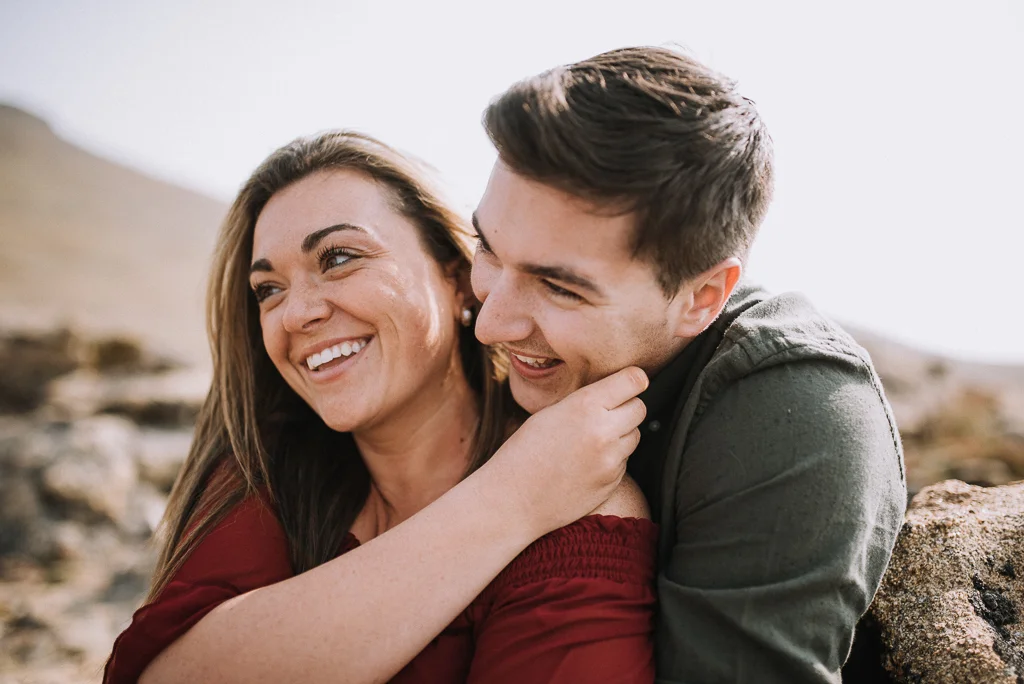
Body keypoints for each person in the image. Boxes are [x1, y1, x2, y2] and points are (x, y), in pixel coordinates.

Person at [104, 131, 658, 683]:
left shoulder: (581, 500)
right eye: (268, 289)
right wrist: (509, 500)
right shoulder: (266, 471)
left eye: (339, 258)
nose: (295, 314)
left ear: (458, 275)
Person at [470, 46, 907, 683]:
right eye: (486, 246)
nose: (489, 323)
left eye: (560, 287)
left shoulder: (794, 408)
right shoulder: (479, 315)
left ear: (702, 297)